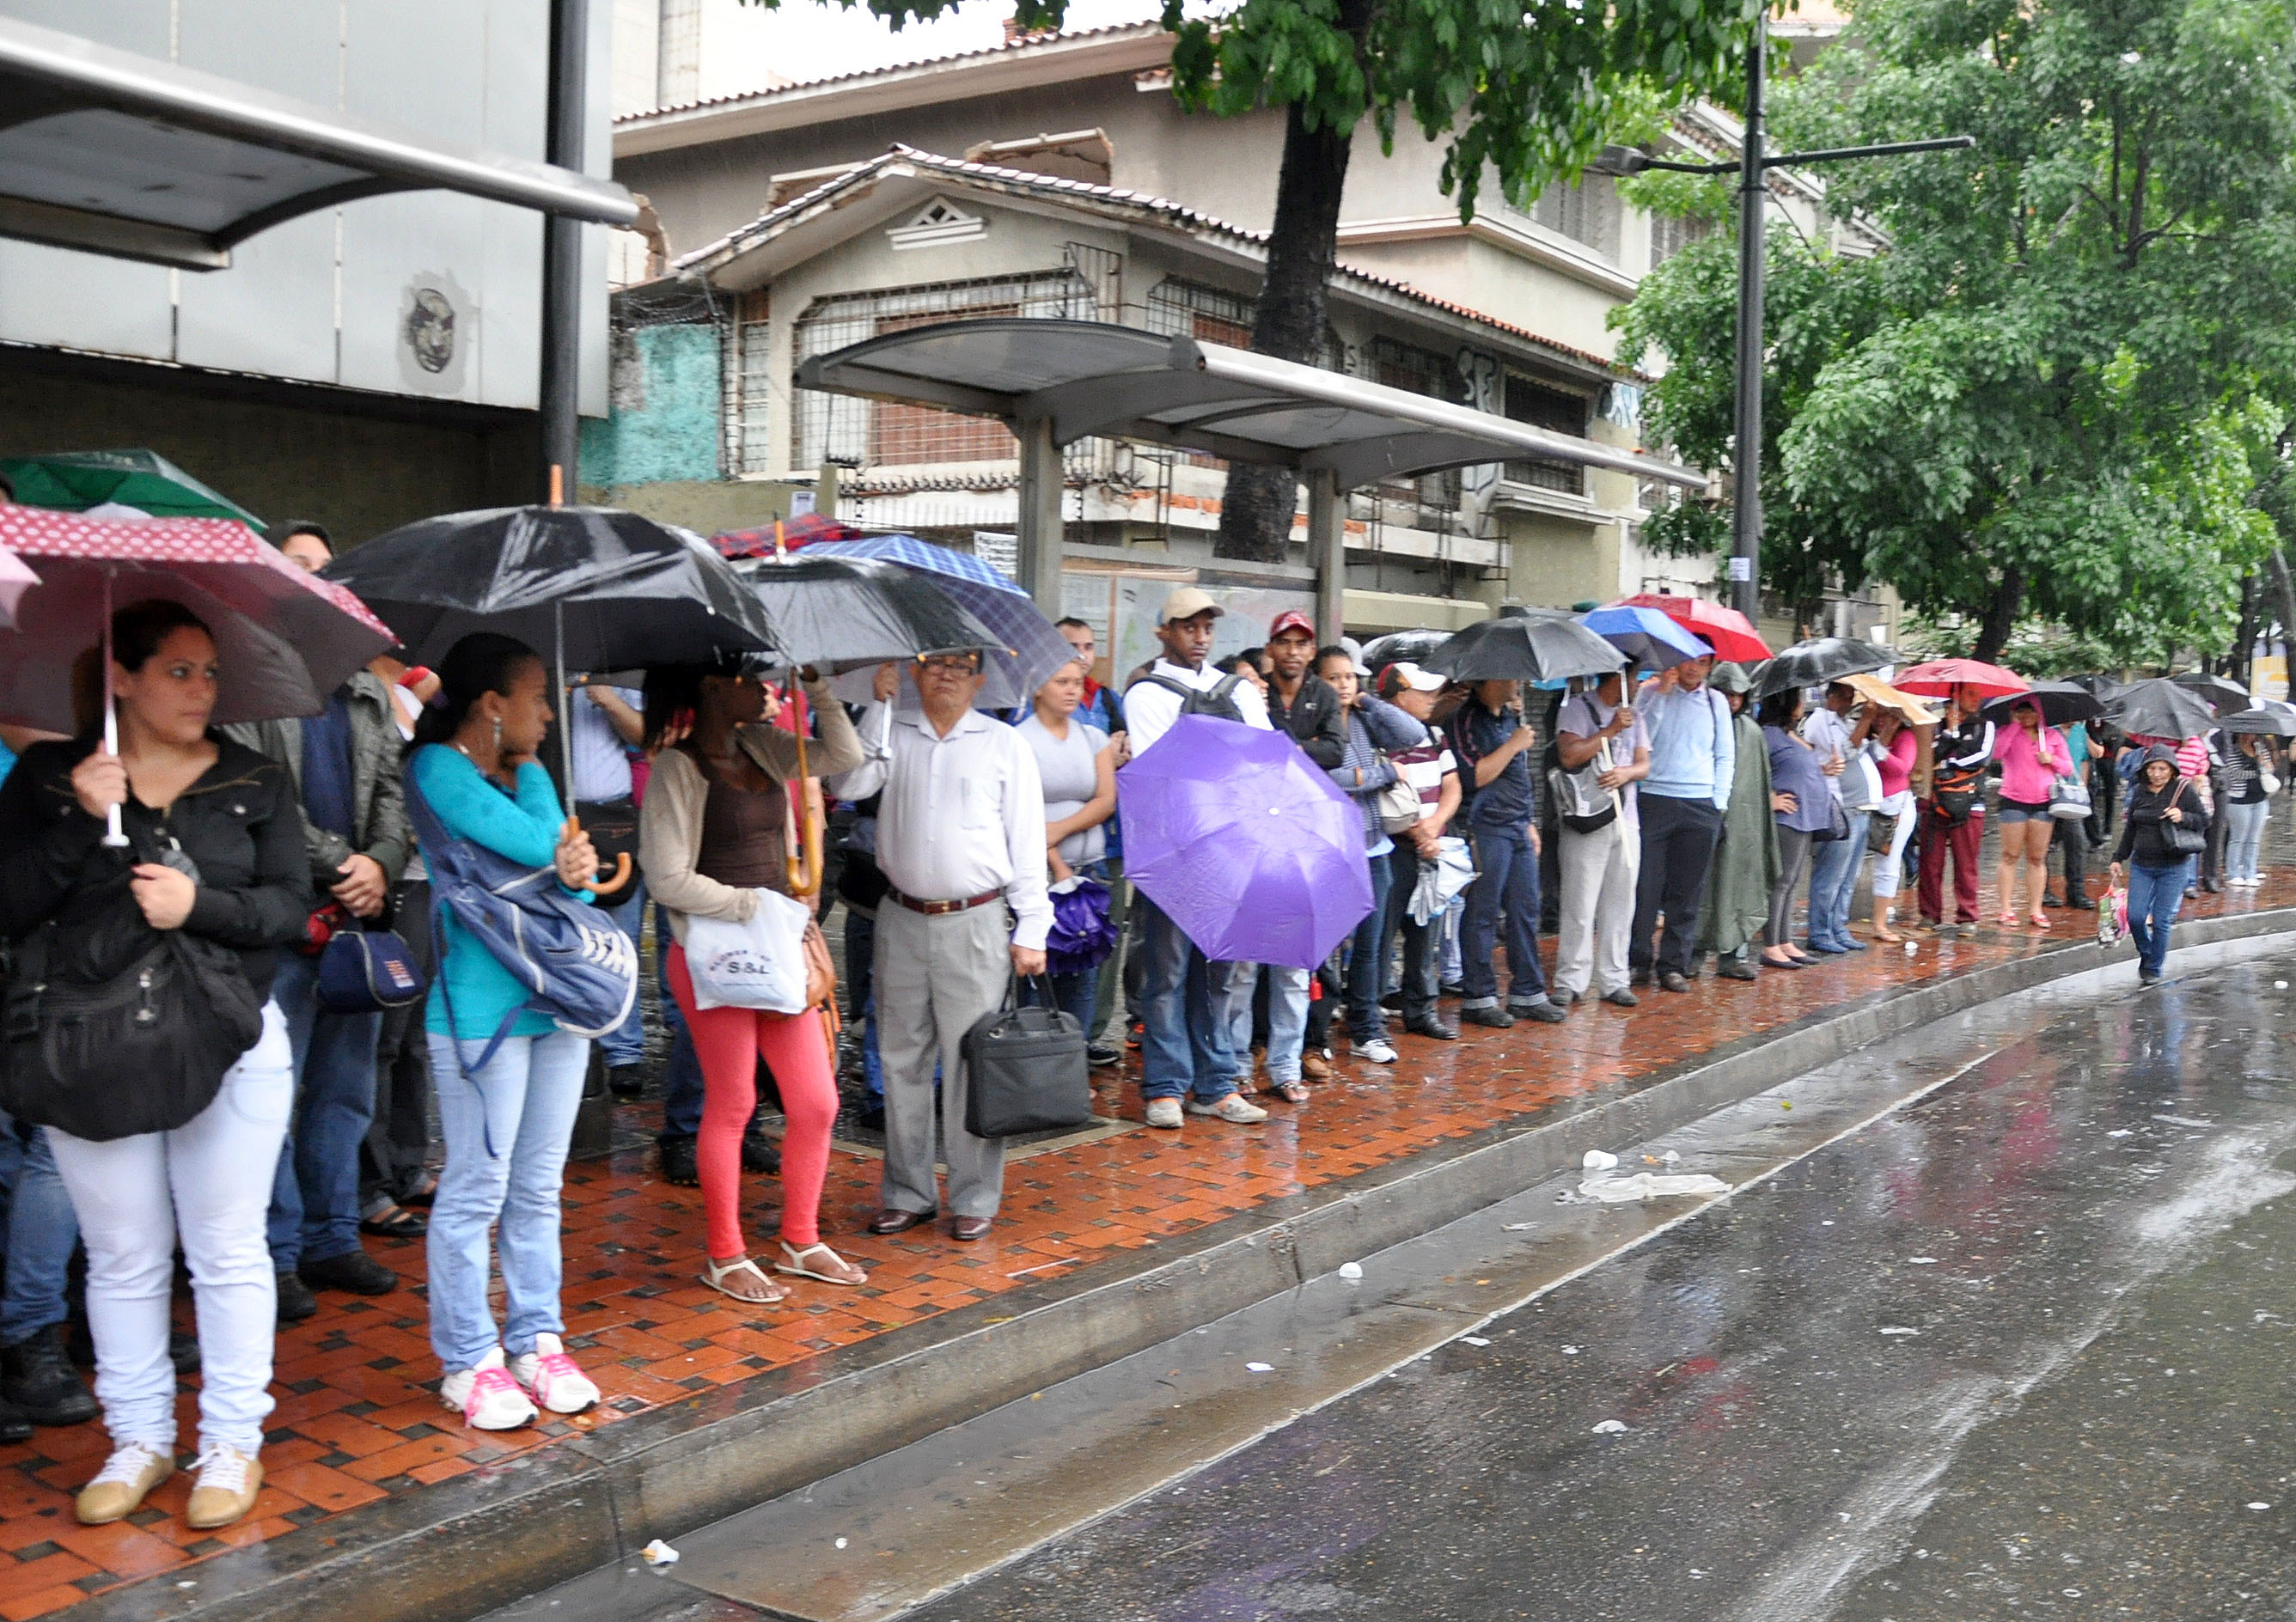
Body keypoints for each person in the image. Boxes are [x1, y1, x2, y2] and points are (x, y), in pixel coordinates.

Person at [0, 601, 308, 1528]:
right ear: (120, 678)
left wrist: (197, 903)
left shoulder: (254, 777)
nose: (202, 690)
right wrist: (77, 820)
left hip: (231, 1041)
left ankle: (229, 1443)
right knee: (124, 1255)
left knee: (225, 1249)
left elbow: (289, 907)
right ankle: (137, 1438)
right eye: (179, 671)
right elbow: (10, 905)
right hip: (89, 1046)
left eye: (209, 672)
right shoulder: (58, 774)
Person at [406, 634, 606, 1430]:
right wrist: (563, 858)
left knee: (538, 1183)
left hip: (554, 1000)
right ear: (493, 704)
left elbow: (581, 889)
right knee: (476, 1187)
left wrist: (535, 790)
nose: (549, 717)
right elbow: (548, 853)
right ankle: (467, 1358)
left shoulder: (528, 774)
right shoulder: (436, 770)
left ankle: (536, 1338)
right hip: (478, 1009)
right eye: (535, 697)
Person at [640, 661, 866, 1301]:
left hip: (775, 945)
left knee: (817, 1102)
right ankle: (725, 1253)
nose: (765, 690)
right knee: (734, 1101)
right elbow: (667, 879)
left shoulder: (763, 745)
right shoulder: (676, 768)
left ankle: (801, 1237)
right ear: (713, 687)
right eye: (750, 678)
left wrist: (820, 687)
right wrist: (752, 905)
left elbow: (840, 755)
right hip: (713, 953)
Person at [831, 652, 1052, 1239]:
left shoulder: (1004, 744)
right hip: (900, 915)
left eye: (962, 664)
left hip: (975, 920)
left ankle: (975, 1195)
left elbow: (1027, 841)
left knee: (970, 1061)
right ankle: (908, 1191)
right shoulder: (892, 731)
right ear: (913, 672)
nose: (946, 674)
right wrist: (876, 708)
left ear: (980, 678)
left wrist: (1033, 926)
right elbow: (848, 783)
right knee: (900, 1058)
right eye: (932, 663)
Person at [1122, 589, 1273, 1128]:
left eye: (1207, 627)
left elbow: (1264, 759)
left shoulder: (1235, 688)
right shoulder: (1146, 692)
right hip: (1174, 853)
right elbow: (1162, 769)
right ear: (1165, 632)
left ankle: (1214, 1084)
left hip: (1231, 850)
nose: (1200, 637)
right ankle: (1165, 1085)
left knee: (1218, 973)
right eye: (1188, 627)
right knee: (1166, 972)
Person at [1314, 646, 1421, 1070]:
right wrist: (1386, 775)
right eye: (1333, 678)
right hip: (1330, 847)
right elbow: (1330, 776)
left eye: (1349, 677)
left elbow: (1413, 735)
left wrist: (1370, 701)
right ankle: (1316, 1032)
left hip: (1374, 844)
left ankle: (1365, 1028)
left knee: (1370, 946)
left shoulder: (1364, 719)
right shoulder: (1313, 725)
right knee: (1322, 946)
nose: (1342, 685)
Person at [1016, 660, 1121, 1050]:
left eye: (1078, 683)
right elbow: (1019, 811)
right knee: (1034, 970)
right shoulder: (1018, 740)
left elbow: (1106, 799)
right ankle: (1030, 1063)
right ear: (1038, 688)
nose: (1072, 690)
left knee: (1083, 975)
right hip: (1036, 875)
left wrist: (1059, 830)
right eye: (1062, 682)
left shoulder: (1094, 737)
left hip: (1088, 871)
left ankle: (1071, 1065)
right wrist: (1055, 862)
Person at [1449, 678, 1565, 1027]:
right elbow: (1474, 776)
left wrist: (1528, 820)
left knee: (1525, 910)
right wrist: (1514, 745)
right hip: (1485, 826)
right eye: (1511, 676)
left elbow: (1518, 777)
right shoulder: (1465, 719)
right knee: (1482, 914)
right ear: (1490, 679)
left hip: (1516, 825)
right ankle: (1478, 996)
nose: (1518, 683)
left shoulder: (1510, 718)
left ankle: (1528, 992)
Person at [1629, 653, 1735, 992]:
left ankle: (1674, 964)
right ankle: (1638, 960)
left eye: (1702, 662)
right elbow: (1641, 741)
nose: (1693, 668)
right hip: (1654, 798)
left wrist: (1718, 804)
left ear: (1711, 667)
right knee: (1646, 887)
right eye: (1688, 660)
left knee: (1687, 891)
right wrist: (1661, 693)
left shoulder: (1715, 701)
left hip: (1700, 803)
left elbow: (1725, 755)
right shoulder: (1649, 693)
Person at [567, 676, 649, 1094]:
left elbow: (645, 737)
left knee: (619, 939)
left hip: (613, 816)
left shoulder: (615, 676)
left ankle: (623, 1049)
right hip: (559, 814)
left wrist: (609, 700)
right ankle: (574, 1042)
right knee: (566, 937)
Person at [1052, 617, 1127, 1061]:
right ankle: (1049, 1037)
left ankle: (1090, 1034)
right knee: (1052, 945)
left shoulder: (1107, 700)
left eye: (1088, 646)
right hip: (1052, 850)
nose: (1082, 655)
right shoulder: (1038, 703)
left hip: (1105, 845)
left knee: (1099, 942)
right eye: (1072, 646)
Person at [1552, 668, 1651, 1007]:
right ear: (1617, 678)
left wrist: (1626, 773)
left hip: (1627, 819)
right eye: (1635, 678)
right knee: (1580, 901)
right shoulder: (1577, 708)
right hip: (1586, 819)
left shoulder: (1636, 715)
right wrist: (1610, 731)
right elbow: (1569, 755)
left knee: (1621, 903)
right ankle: (1571, 979)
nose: (1638, 685)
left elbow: (1644, 765)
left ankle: (1614, 978)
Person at [1376, 663, 1464, 1040]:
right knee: (1381, 934)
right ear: (1399, 697)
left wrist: (1434, 827)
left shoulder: (1435, 734)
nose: (1432, 700)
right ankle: (1372, 1011)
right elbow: (1380, 799)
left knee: (1424, 930)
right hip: (1394, 846)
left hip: (1432, 846)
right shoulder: (1378, 738)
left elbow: (1453, 785)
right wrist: (1417, 832)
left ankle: (1421, 1008)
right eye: (1424, 693)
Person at [1695, 663, 1777, 981]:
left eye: (1737, 695)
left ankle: (1731, 957)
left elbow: (1757, 783)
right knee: (1701, 887)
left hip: (1743, 824)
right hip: (1704, 815)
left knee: (1738, 887)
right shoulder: (1701, 722)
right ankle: (1694, 953)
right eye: (1725, 693)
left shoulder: (1752, 732)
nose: (1731, 700)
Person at [2112, 743, 2210, 984]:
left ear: (2172, 770)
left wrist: (2183, 816)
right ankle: (2148, 953)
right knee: (2135, 917)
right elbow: (2130, 829)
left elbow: (2204, 820)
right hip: (2142, 864)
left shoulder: (2184, 790)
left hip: (2173, 866)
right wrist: (2117, 857)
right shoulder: (2140, 792)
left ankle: (2154, 968)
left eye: (2162, 769)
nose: (2156, 774)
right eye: (2152, 768)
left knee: (2162, 919)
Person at [1801, 682, 1878, 954]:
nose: (1850, 702)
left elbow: (1859, 751)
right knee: (1830, 876)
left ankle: (1838, 927)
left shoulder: (1842, 722)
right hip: (1839, 808)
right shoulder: (1820, 720)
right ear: (1832, 696)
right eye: (1846, 696)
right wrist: (1866, 720)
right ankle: (1820, 931)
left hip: (1859, 808)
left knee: (1848, 878)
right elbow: (1844, 753)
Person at [1758, 690, 1830, 971]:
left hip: (1805, 817)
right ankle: (1771, 945)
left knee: (1792, 881)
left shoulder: (1789, 733)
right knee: (1781, 881)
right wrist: (1770, 799)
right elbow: (1751, 773)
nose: (1802, 704)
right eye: (1798, 699)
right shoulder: (1767, 735)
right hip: (1786, 818)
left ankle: (1785, 940)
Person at [1918, 688, 1994, 937]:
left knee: (1966, 862)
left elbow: (1979, 757)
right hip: (1936, 800)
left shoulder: (1985, 725)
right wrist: (1950, 736)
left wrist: (1950, 760)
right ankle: (1929, 913)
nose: (1977, 699)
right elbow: (1929, 756)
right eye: (1971, 695)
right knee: (1930, 862)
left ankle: (1967, 916)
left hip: (1969, 802)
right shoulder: (1936, 727)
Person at [1991, 698, 2072, 929]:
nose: (2026, 717)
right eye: (2020, 712)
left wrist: (2052, 759)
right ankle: (2006, 908)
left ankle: (2036, 909)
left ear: (2039, 713)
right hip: (2013, 801)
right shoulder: (2008, 732)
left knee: (2037, 858)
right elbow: (1997, 753)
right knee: (2010, 855)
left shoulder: (2052, 737)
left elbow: (2068, 768)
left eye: (2030, 712)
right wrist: (2014, 726)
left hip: (2043, 803)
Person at [1866, 708, 1920, 942]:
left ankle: (1880, 924)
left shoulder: (1905, 738)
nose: (1882, 721)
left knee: (1888, 864)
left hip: (1897, 808)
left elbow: (1902, 768)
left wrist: (1880, 751)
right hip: (1869, 806)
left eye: (1888, 716)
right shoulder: (1867, 738)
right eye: (1878, 716)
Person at [2049, 717, 2096, 909]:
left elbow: (2086, 759)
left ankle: (2076, 892)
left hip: (2071, 796)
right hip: (2049, 792)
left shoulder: (2080, 732)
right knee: (2043, 848)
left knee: (2077, 843)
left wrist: (2082, 786)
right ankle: (2044, 891)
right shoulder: (2049, 731)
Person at [2220, 729, 2273, 887]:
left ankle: (2250, 871)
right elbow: (2236, 773)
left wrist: (2265, 764)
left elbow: (2269, 769)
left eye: (2253, 734)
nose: (2250, 736)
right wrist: (2257, 770)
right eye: (2247, 733)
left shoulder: (2260, 749)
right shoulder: (2233, 751)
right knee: (2238, 838)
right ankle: (2233, 873)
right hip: (2239, 799)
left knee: (2254, 839)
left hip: (2260, 798)